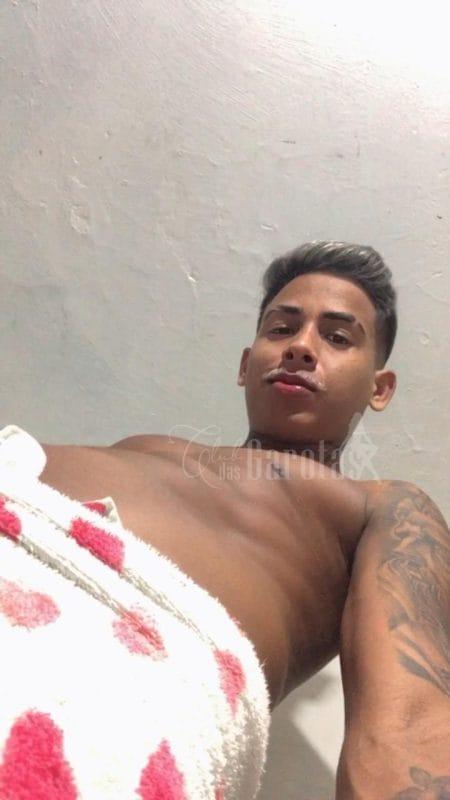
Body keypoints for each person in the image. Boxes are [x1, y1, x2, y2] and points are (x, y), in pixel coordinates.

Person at [0, 240, 448, 799]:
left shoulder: (381, 505)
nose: (300, 347)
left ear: (379, 388)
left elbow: (410, 727)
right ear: (244, 365)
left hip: (97, 660)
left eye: (337, 337)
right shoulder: (144, 446)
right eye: (281, 329)